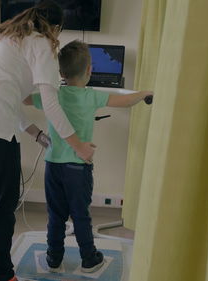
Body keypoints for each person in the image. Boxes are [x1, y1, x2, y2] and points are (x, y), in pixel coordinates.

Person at [0, 2, 96, 280]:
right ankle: (2, 273)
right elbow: (51, 104)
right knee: (2, 202)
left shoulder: (1, 38)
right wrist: (79, 146)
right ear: (54, 28)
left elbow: (3, 97)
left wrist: (36, 134)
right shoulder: (41, 44)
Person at [23, 40, 153, 273]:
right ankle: (89, 259)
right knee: (80, 215)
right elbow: (125, 101)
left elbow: (24, 98)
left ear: (61, 73)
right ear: (90, 70)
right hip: (78, 168)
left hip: (52, 165)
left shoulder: (52, 96)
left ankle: (53, 258)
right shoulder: (92, 96)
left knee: (55, 216)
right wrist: (144, 94)